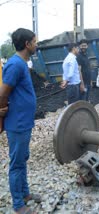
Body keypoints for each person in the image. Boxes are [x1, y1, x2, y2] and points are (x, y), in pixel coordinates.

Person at [0, 28, 41, 214]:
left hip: (23, 122)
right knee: (17, 163)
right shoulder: (15, 65)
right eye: (35, 41)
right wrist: (1, 114)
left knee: (23, 159)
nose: (37, 44)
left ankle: (25, 194)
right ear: (27, 44)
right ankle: (18, 205)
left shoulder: (22, 64)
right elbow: (2, 93)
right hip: (17, 124)